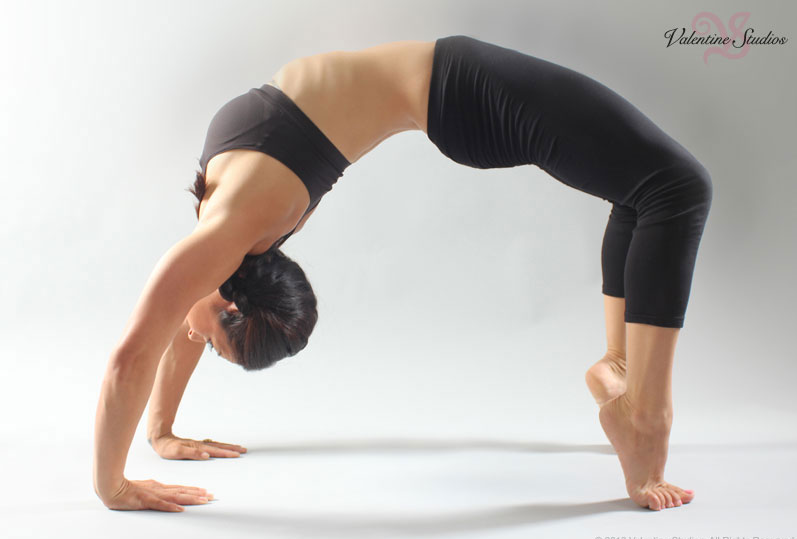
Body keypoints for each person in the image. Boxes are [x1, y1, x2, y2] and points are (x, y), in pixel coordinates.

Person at [93, 35, 711, 514]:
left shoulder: (230, 229)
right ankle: (622, 376)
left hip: (463, 92)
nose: (194, 337)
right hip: (451, 91)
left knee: (671, 190)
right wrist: (162, 430)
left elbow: (132, 354)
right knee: (656, 190)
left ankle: (641, 411)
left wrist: (112, 486)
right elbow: (179, 322)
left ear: (231, 301)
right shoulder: (228, 240)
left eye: (211, 341)